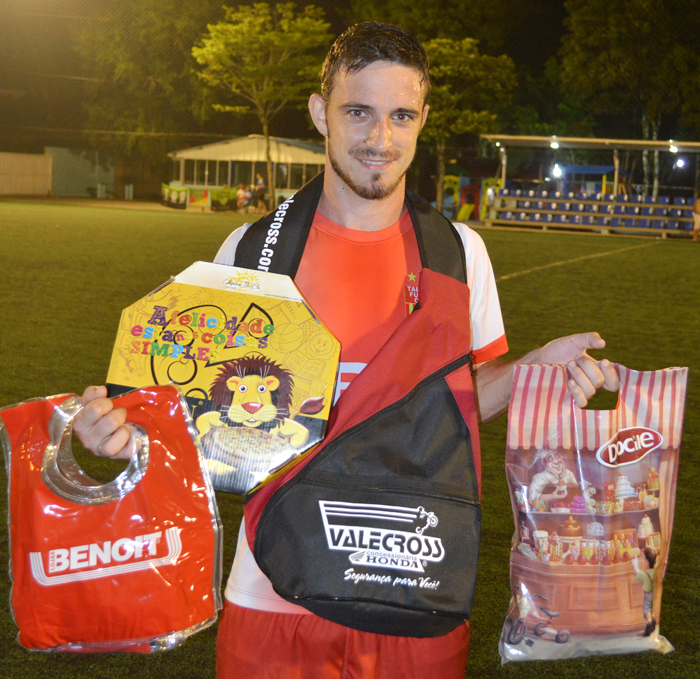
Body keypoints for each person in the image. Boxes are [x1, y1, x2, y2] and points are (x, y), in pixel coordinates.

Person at [74, 22, 618, 679]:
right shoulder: (250, 253)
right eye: (357, 112)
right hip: (270, 588)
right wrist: (128, 437)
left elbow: (465, 395)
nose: (380, 140)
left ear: (422, 119)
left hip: (415, 579)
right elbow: (202, 422)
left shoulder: (460, 252)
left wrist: (534, 371)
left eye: (400, 116)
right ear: (319, 112)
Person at [632, 547, 657, 636]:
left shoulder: (644, 575)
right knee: (651, 608)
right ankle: (653, 621)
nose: (643, 561)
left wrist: (635, 564)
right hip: (654, 595)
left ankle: (649, 622)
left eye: (644, 559)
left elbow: (636, 573)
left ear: (646, 562)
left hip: (647, 595)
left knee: (646, 609)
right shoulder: (655, 572)